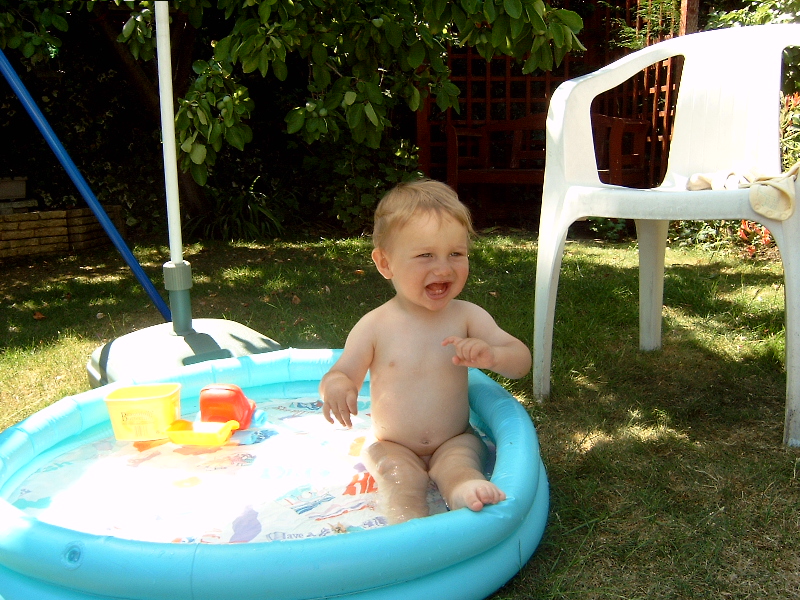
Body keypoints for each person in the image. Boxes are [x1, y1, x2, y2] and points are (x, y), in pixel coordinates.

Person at [319, 179, 531, 524]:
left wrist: (493, 356)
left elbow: (520, 362)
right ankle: (407, 524)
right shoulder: (374, 326)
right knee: (399, 481)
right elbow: (342, 372)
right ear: (385, 263)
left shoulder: (467, 317)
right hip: (392, 444)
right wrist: (337, 387)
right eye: (425, 255)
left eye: (456, 254)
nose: (444, 268)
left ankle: (463, 490)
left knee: (461, 464)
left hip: (454, 438)